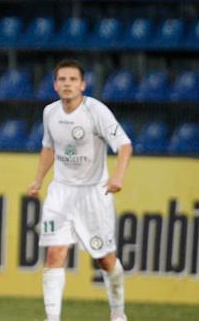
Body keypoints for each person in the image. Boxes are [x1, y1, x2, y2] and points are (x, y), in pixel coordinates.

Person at [27, 59, 132, 321]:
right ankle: (52, 318)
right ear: (55, 85)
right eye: (62, 79)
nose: (67, 84)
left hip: (93, 193)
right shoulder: (50, 112)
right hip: (60, 193)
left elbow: (124, 145)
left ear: (83, 84)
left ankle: (118, 314)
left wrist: (118, 176)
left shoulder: (96, 111)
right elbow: (49, 147)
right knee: (55, 252)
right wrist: (38, 179)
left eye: (73, 79)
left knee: (105, 259)